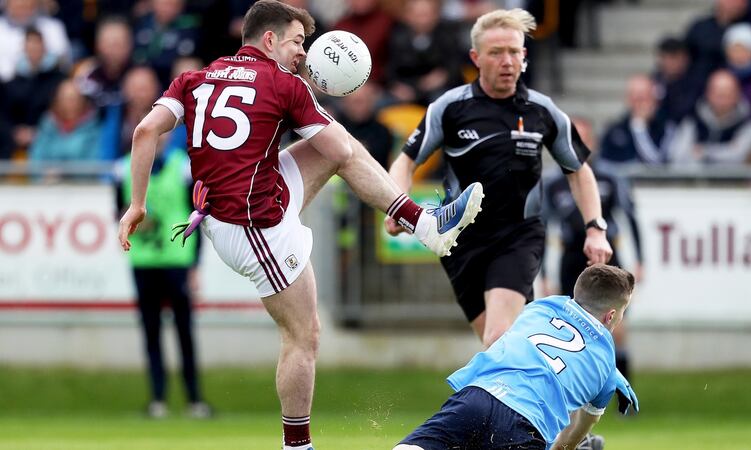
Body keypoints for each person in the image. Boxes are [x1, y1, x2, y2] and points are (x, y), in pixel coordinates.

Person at [116, 2, 484, 449]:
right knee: (303, 334)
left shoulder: (196, 76)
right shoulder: (284, 83)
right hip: (254, 227)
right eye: (297, 42)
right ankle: (297, 447)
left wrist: (137, 203)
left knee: (338, 144)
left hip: (231, 210)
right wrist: (317, 94)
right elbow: (341, 151)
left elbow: (143, 132)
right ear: (269, 39)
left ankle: (424, 224)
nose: (304, 54)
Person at [385, 8, 612, 349]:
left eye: (515, 52)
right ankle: (556, 398)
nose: (507, 61)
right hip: (458, 241)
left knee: (499, 338)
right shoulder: (449, 107)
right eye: (496, 52)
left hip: (518, 236)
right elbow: (405, 161)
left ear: (524, 56)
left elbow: (579, 171)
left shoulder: (542, 110)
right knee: (502, 351)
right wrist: (398, 207)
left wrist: (596, 228)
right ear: (476, 57)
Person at [393, 264, 639, 450]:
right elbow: (574, 435)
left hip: (477, 397)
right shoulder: (607, 368)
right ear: (611, 316)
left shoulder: (539, 308)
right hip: (524, 425)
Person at [117, 132, 211, 419]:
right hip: (143, 258)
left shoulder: (183, 167)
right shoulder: (123, 169)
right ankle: (158, 398)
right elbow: (118, 211)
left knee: (184, 331)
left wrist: (195, 263)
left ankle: (194, 399)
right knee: (151, 331)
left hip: (176, 258)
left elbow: (198, 214)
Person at [542, 117, 643, 381]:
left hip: (607, 260)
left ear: (594, 143)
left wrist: (640, 260)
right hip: (571, 260)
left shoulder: (610, 177)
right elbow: (541, 229)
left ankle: (622, 391)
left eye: (584, 139)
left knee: (615, 326)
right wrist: (543, 275)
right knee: (570, 328)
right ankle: (575, 390)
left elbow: (630, 218)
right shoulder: (552, 183)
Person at [598, 75, 671, 166]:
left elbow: (657, 163)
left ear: (654, 99)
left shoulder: (665, 127)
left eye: (644, 97)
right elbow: (605, 163)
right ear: (628, 99)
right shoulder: (614, 131)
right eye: (636, 98)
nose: (641, 104)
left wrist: (639, 128)